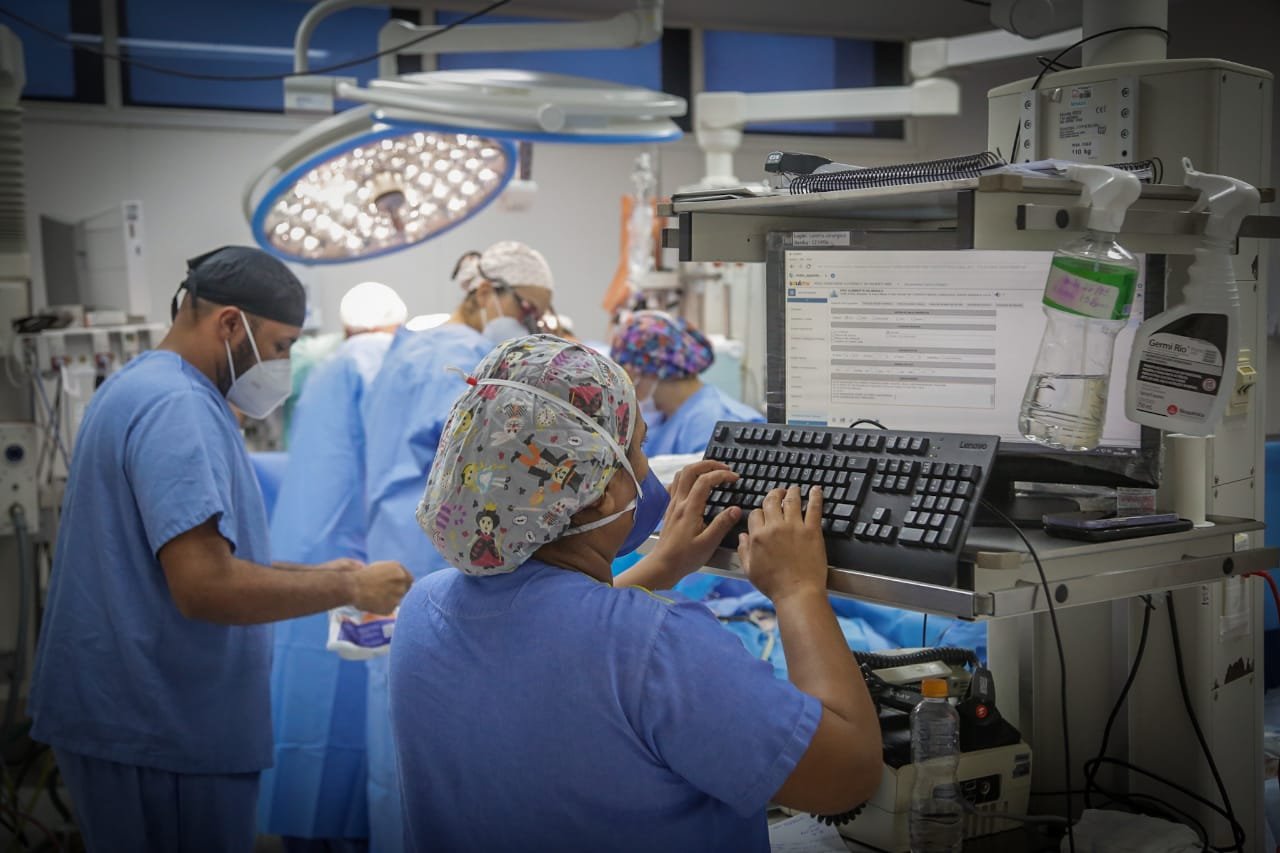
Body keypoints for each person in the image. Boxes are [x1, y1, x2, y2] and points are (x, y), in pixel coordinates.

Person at [391, 335, 882, 852]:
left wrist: (660, 567)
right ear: (600, 494)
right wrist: (797, 590)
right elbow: (846, 776)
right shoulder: (655, 643)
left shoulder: (423, 609)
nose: (646, 471)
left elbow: (552, 640)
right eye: (640, 449)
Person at [25, 246, 413, 853]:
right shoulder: (179, 408)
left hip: (135, 716)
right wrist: (348, 587)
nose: (284, 364)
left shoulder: (142, 384)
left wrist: (313, 573)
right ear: (230, 324)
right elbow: (205, 587)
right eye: (281, 346)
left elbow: (177, 560)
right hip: (159, 728)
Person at [362, 241, 555, 853]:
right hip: (438, 549)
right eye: (528, 310)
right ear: (485, 292)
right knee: (444, 722)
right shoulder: (464, 360)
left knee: (399, 715)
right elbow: (494, 464)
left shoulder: (408, 349)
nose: (533, 323)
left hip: (395, 540)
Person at [257, 280, 408, 850]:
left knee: (309, 704)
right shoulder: (378, 363)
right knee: (361, 716)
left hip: (309, 560)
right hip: (361, 563)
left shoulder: (326, 371)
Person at [610, 310, 763, 457]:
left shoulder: (714, 424)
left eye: (625, 374)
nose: (623, 384)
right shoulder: (661, 416)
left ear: (652, 370)